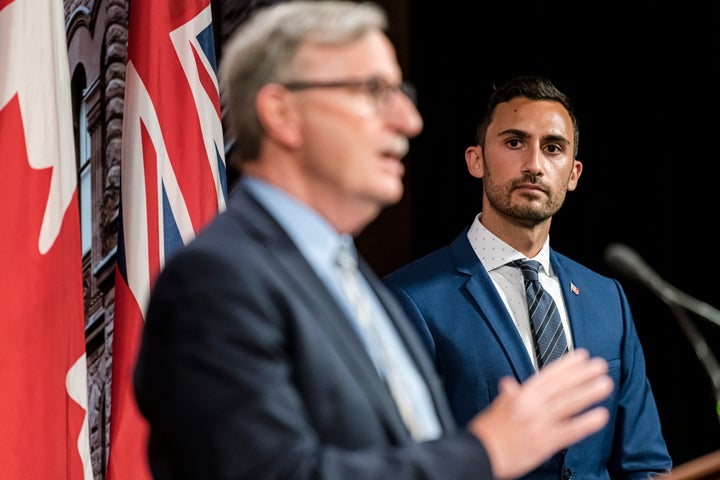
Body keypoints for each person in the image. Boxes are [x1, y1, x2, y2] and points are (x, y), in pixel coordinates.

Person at [132, 4, 614, 479]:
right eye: (374, 91)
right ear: (283, 114)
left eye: (400, 92)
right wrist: (483, 452)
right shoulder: (217, 281)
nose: (409, 120)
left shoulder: (348, 276)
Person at [383, 74, 673, 479]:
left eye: (553, 148)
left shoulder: (609, 299)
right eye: (514, 142)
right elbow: (403, 461)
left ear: (573, 174)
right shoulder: (407, 298)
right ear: (476, 159)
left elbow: (644, 463)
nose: (534, 164)